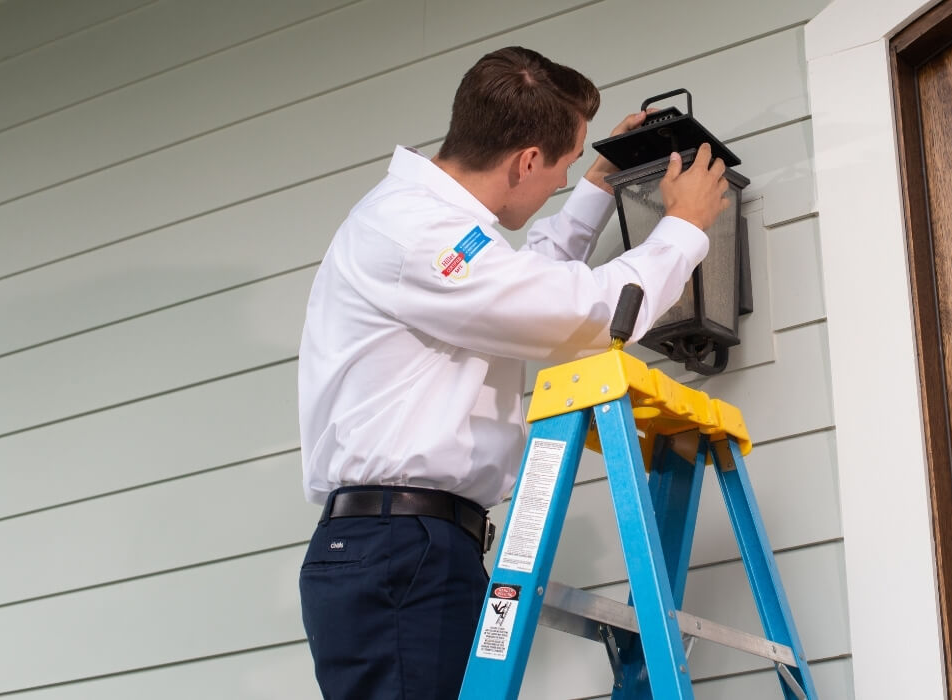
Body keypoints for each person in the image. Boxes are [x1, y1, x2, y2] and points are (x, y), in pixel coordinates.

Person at [295, 45, 731, 699]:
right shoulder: (419, 236)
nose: (560, 179)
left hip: (406, 547)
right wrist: (683, 228)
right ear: (527, 159)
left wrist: (594, 184)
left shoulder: (435, 228)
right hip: (400, 552)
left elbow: (520, 278)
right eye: (560, 164)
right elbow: (587, 311)